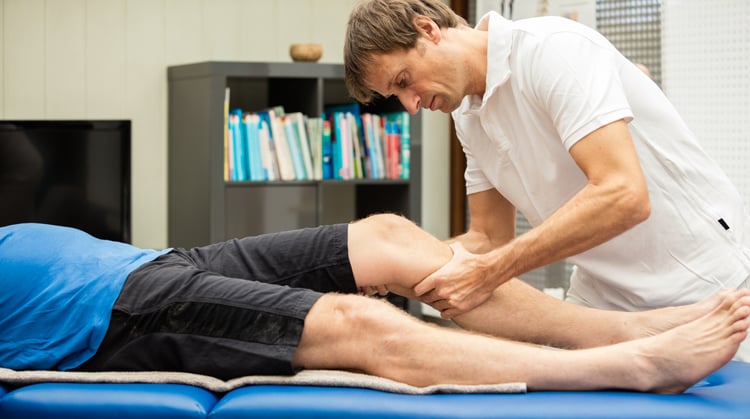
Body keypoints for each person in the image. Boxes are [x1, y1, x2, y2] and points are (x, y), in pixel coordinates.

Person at [343, 0, 750, 360]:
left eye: (403, 81)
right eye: (396, 96)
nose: (411, 106)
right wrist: (391, 265)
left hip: (704, 280)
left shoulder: (552, 50)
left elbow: (624, 195)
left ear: (427, 30)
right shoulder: (466, 116)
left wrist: (490, 272)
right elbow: (489, 237)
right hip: (602, 297)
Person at [1, 217, 749, 393]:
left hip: (152, 261)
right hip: (119, 315)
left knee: (387, 236)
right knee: (359, 322)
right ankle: (632, 363)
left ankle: (623, 324)